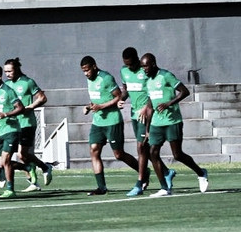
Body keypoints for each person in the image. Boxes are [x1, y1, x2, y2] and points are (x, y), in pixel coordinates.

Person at [139, 53, 210, 197]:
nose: (144, 69)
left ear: (153, 63)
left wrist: (168, 104)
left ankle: (201, 173)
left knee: (177, 155)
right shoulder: (147, 81)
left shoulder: (166, 75)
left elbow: (185, 91)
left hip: (172, 122)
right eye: (142, 67)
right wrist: (147, 129)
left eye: (146, 66)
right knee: (153, 153)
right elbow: (150, 106)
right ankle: (164, 188)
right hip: (156, 124)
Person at [81, 55, 141, 196]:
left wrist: (102, 106)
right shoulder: (89, 80)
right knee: (94, 150)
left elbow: (118, 96)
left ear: (94, 66)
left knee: (118, 154)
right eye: (83, 71)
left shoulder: (106, 78)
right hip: (97, 122)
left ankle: (142, 172)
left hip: (112, 121)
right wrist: (88, 107)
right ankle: (101, 187)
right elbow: (96, 99)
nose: (86, 73)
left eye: (87, 70)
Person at [119, 46, 168, 196]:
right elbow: (126, 89)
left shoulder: (145, 71)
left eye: (132, 64)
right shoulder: (124, 71)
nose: (129, 67)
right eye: (127, 64)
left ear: (137, 59)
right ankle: (166, 172)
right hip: (134, 114)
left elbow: (152, 91)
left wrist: (146, 108)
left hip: (146, 114)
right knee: (144, 149)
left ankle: (140, 182)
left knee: (141, 148)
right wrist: (121, 100)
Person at [3, 57, 54, 191]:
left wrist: (30, 107)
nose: (7, 74)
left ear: (17, 69)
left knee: (22, 154)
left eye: (10, 71)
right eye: (5, 72)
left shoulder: (27, 82)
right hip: (13, 125)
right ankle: (34, 182)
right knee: (20, 156)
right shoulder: (6, 85)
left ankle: (44, 167)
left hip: (27, 123)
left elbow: (42, 98)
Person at [0, 64, 26, 197]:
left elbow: (20, 108)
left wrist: (6, 114)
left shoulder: (8, 91)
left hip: (11, 130)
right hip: (0, 132)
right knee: (1, 163)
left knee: (6, 160)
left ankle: (10, 189)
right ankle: (27, 167)